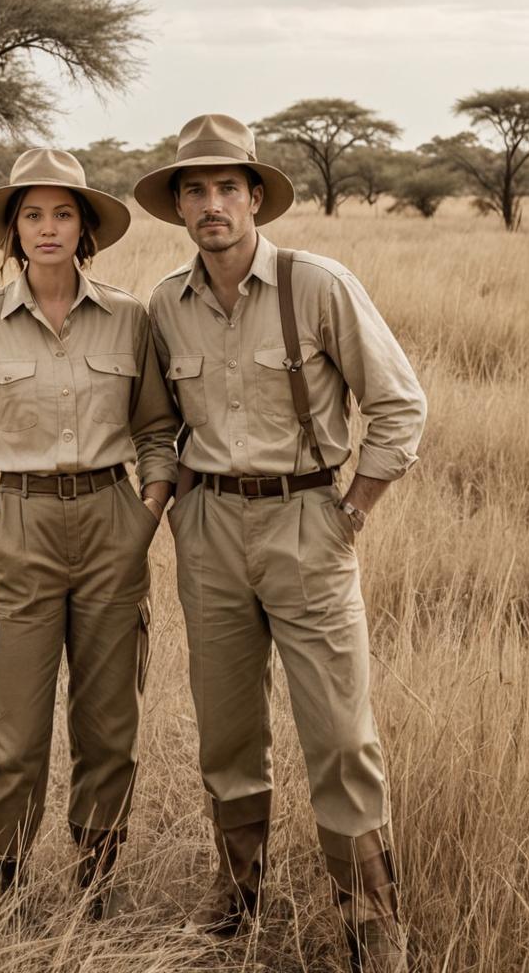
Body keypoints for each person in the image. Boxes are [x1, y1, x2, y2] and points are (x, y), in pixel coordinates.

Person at [135, 115, 426, 971]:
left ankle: (372, 923)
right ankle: (237, 898)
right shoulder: (165, 302)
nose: (212, 204)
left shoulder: (318, 284)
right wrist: (176, 507)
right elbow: (157, 425)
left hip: (309, 522)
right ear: (179, 206)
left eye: (229, 188)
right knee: (227, 732)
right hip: (209, 530)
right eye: (196, 190)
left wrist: (354, 509)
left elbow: (400, 405)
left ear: (256, 197)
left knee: (339, 733)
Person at [0, 148, 178, 917]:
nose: (47, 227)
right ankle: (0, 895)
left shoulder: (131, 318)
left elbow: (159, 429)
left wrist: (145, 516)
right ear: (11, 229)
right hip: (20, 525)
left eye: (63, 212)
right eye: (31, 214)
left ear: (86, 227)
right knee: (14, 731)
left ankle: (96, 889)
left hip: (112, 524)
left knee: (109, 730)